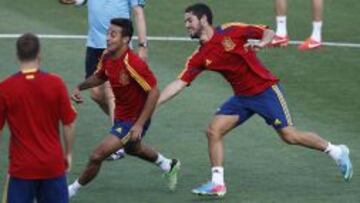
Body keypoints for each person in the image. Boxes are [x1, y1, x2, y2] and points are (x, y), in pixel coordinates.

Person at [157, 3, 353, 197]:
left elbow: (267, 31)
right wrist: (153, 104)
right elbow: (179, 83)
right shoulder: (200, 56)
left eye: (189, 20)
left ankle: (336, 151)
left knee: (289, 136)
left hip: (266, 90)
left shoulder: (230, 30)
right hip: (242, 98)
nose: (187, 25)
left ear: (203, 19)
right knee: (213, 130)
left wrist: (262, 42)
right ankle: (217, 184)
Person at [67, 18, 180, 198]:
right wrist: (80, 87)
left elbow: (154, 92)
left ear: (126, 39)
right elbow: (100, 76)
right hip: (122, 115)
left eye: (113, 35)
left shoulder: (133, 63)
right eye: (108, 34)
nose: (108, 38)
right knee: (132, 149)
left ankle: (70, 191)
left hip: (134, 118)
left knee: (97, 156)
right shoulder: (107, 56)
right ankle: (168, 164)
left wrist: (139, 125)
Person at [59, 0, 149, 160]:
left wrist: (142, 45)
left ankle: (118, 141)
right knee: (96, 94)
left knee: (110, 92)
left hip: (117, 44)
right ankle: (127, 126)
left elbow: (138, 12)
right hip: (94, 44)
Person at [0, 33, 76, 203]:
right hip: (52, 165)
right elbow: (69, 124)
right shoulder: (56, 83)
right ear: (39, 54)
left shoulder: (5, 88)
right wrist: (68, 153)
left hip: (21, 168)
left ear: (17, 55)